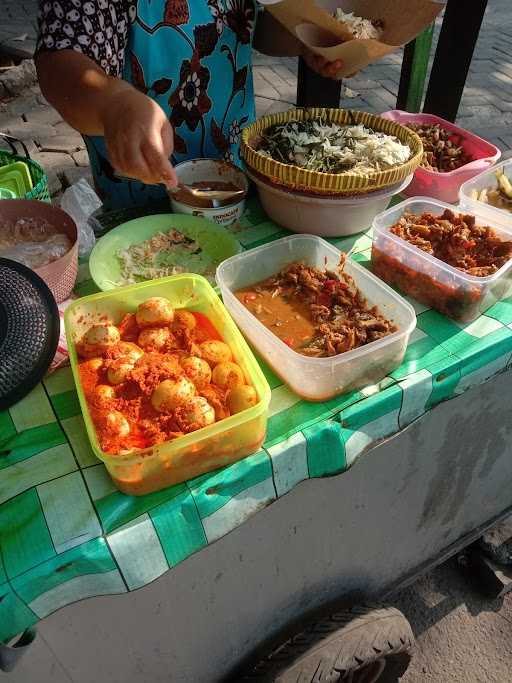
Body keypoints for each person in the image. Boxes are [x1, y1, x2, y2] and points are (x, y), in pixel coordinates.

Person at [36, 1, 343, 209]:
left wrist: (304, 38)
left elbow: (252, 25)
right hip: (142, 199)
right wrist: (115, 104)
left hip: (238, 173)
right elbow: (60, 61)